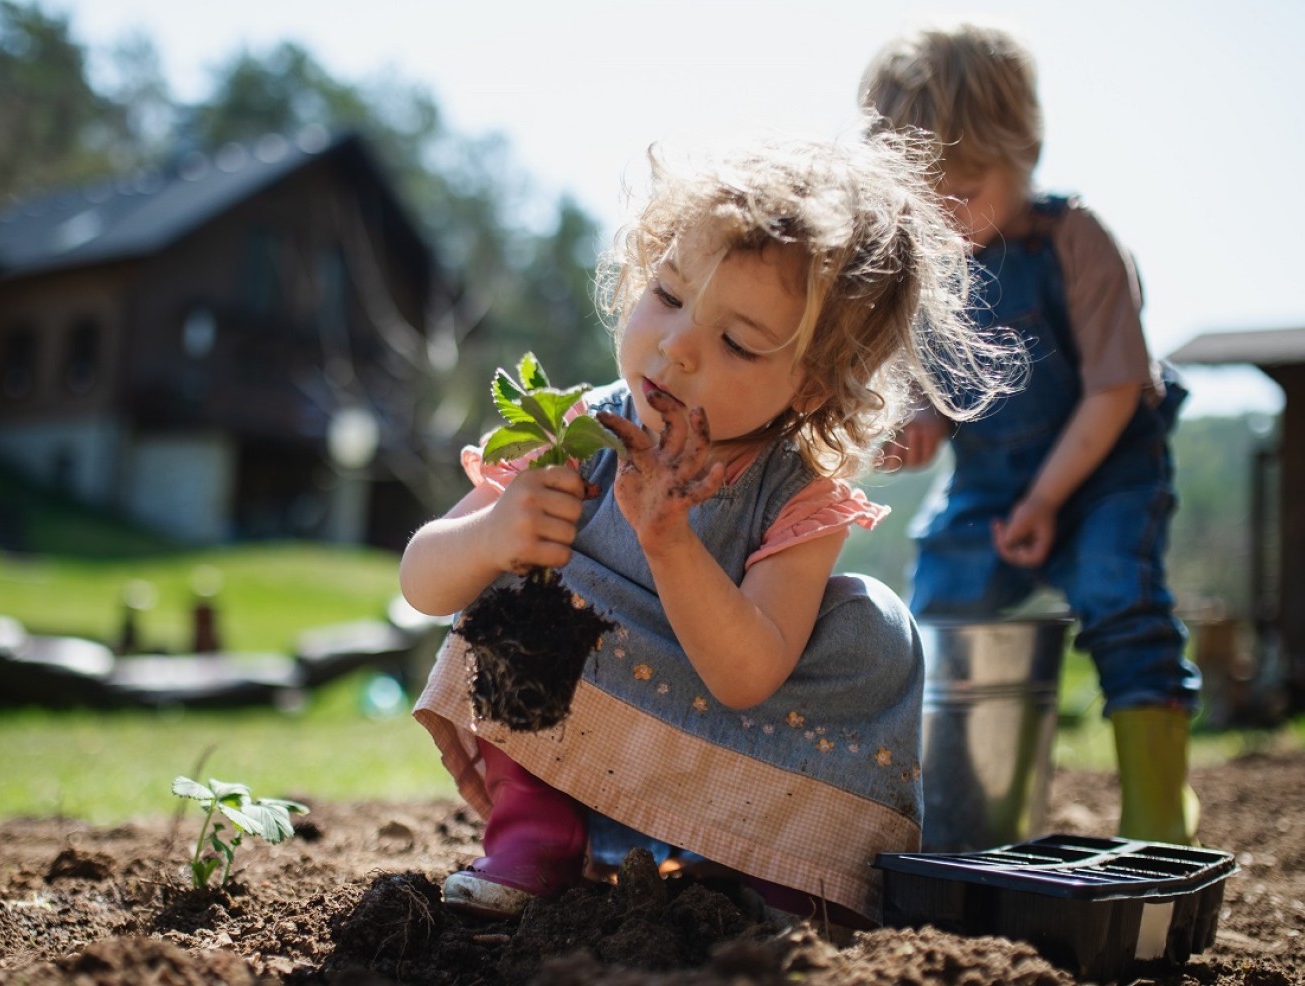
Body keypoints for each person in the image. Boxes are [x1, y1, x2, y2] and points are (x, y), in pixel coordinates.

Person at [401, 133, 1015, 927]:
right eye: (666, 293)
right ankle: (537, 836)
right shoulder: (572, 433)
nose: (676, 346)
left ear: (811, 386)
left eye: (735, 342)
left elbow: (746, 675)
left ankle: (773, 864)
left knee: (876, 629)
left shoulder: (798, 498)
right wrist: (489, 537)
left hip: (730, 724)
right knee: (516, 578)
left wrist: (669, 542)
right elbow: (421, 581)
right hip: (583, 715)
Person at [860, 22, 1201, 846]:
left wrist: (1048, 498)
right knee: (938, 609)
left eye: (967, 183)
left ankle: (1160, 808)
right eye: (921, 196)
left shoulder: (1075, 241)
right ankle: (948, 813)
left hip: (1102, 470)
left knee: (1122, 600)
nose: (945, 212)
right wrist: (914, 432)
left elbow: (1116, 388)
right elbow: (931, 400)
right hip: (988, 480)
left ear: (1025, 152)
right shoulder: (926, 273)